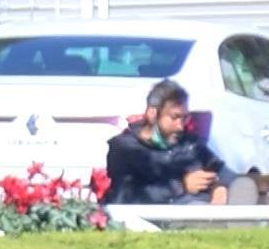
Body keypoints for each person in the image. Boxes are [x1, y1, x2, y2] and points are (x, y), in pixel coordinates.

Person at [103, 79, 251, 206]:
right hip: (164, 217)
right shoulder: (126, 149)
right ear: (152, 114)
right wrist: (182, 186)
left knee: (245, 188)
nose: (180, 126)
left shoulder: (190, 145)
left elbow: (226, 173)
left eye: (185, 118)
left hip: (205, 209)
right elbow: (125, 197)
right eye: (175, 117)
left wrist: (221, 186)